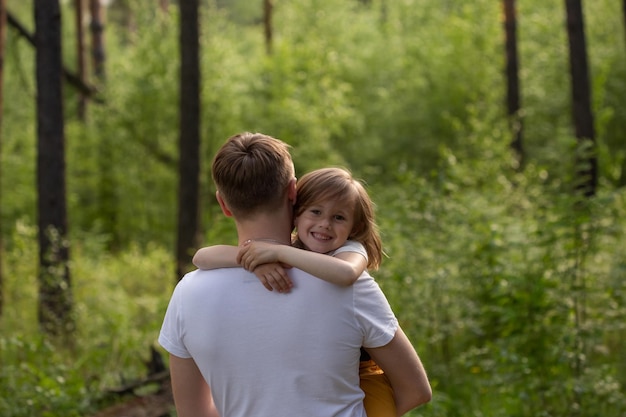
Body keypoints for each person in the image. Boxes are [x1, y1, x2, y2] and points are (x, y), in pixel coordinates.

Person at [158, 132, 431, 417]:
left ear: (223, 204)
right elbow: (416, 390)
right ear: (293, 191)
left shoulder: (187, 294)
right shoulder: (345, 285)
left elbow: (194, 413)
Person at [192, 167, 396, 416]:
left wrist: (278, 253)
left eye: (339, 218)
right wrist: (255, 260)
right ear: (297, 212)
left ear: (354, 227)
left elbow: (345, 274)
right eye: (316, 212)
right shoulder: (298, 246)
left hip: (367, 374)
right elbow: (201, 257)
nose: (325, 224)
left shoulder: (351, 250)